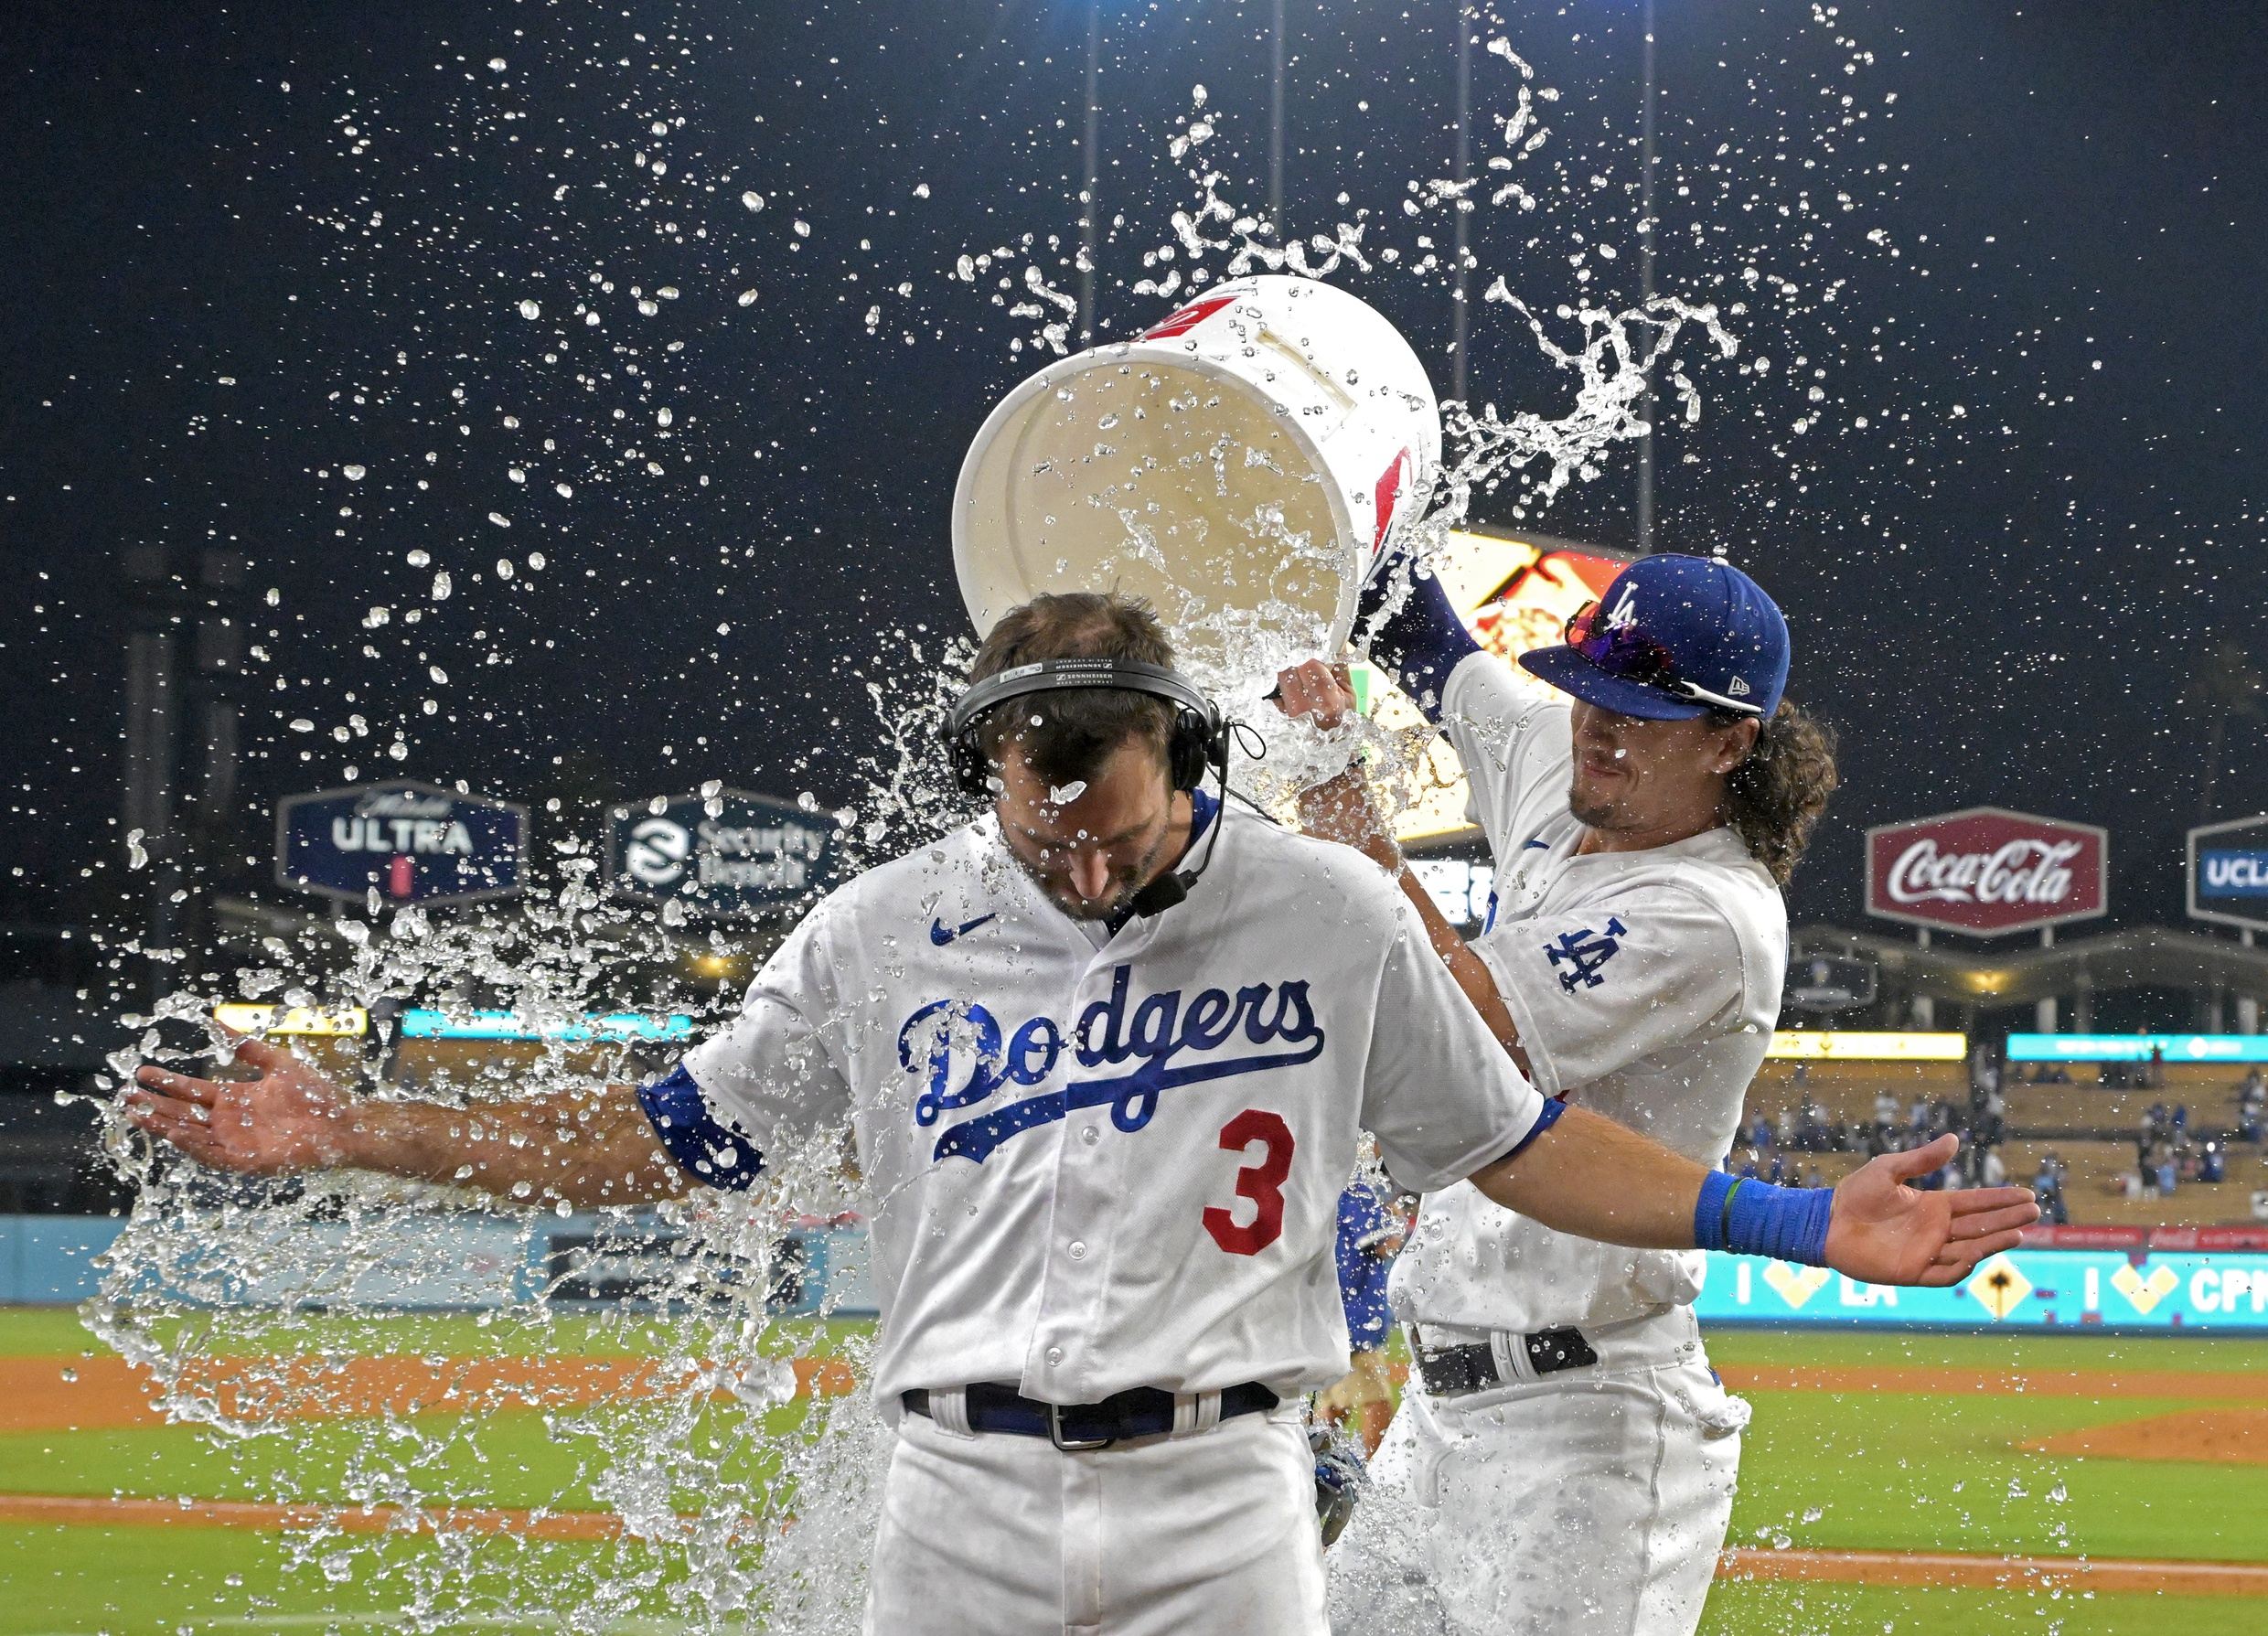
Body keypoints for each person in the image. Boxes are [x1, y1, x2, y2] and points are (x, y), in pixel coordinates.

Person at [126, 593, 2034, 1636]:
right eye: (1024, 783)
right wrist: (354, 1123)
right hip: (999, 1488)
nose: (1068, 825)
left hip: (1308, 1472)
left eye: (1103, 784)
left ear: (1180, 758)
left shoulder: (1381, 905)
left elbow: (1520, 1135)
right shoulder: (886, 928)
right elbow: (669, 1133)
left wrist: (1800, 1225)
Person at [1274, 551, 1876, 1636]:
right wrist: (1338, 498)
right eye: (1589, 690)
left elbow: (1453, 1022)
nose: (1598, 727)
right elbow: (1425, 636)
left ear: (1731, 742)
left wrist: (1331, 782)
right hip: (1436, 1410)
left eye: (1641, 713)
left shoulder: (1709, 911)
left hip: (1589, 1428)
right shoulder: (1567, 760)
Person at [1317, 1177, 1404, 1457]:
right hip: (1357, 1320)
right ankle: (1372, 1473)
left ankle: (1314, 1471)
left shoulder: (1333, 1184)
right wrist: (1397, 1220)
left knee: (1333, 1408)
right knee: (1377, 1404)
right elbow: (1383, 1243)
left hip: (1332, 1312)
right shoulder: (1358, 1187)